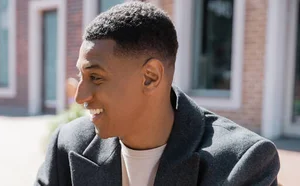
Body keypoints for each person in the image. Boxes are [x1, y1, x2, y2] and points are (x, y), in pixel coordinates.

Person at [35, 2, 279, 186]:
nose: (80, 96)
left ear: (150, 77)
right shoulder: (67, 145)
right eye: (80, 76)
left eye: (96, 77)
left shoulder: (244, 163)